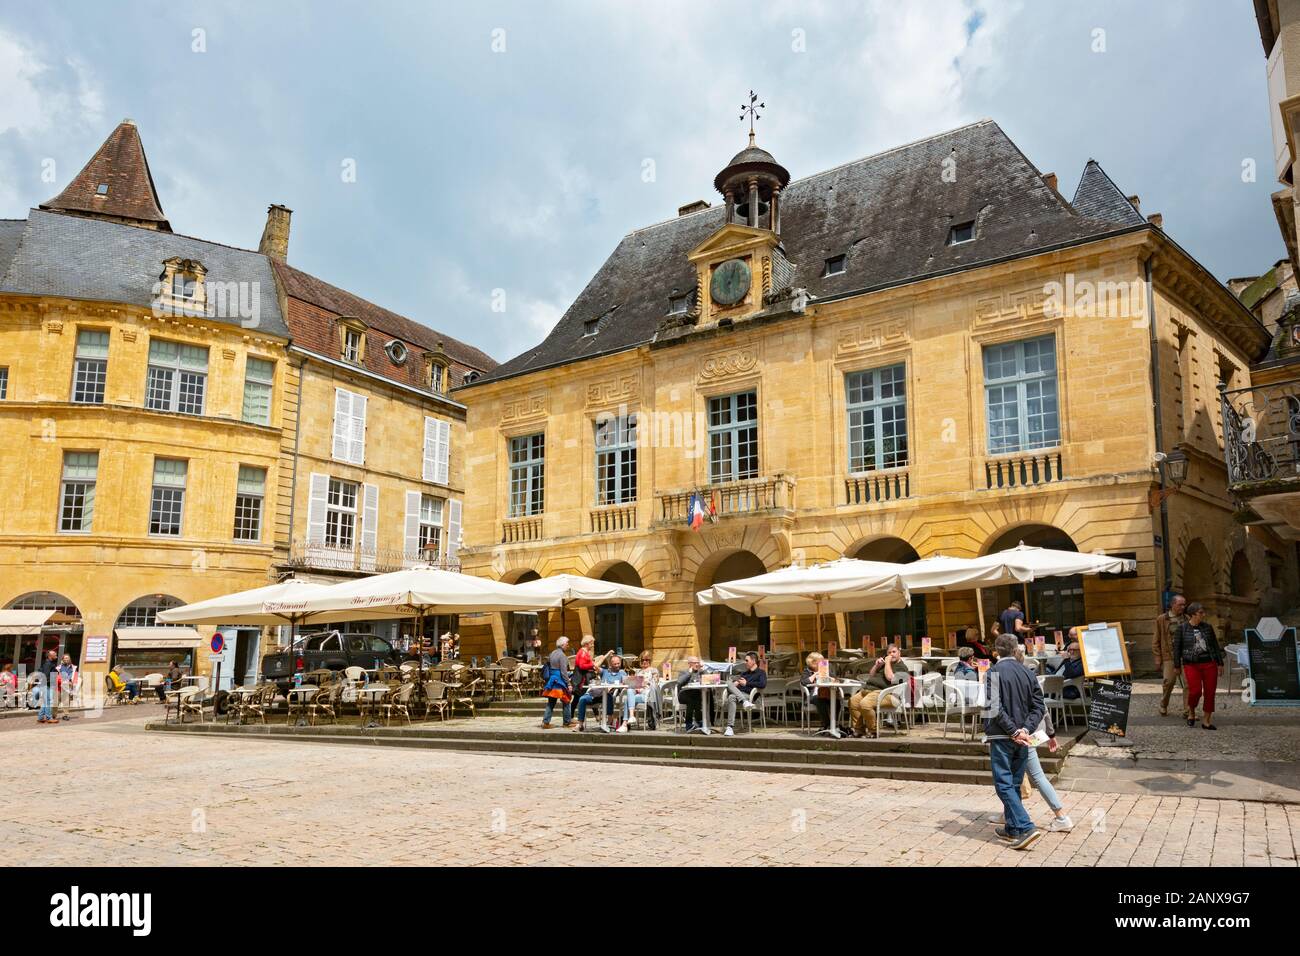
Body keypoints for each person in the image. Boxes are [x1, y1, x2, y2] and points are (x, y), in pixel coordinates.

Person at [993, 648, 1073, 832]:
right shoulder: (1028, 678)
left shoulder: (1019, 680)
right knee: (1015, 776)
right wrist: (1051, 735)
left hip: (1026, 735)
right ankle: (1008, 815)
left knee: (1034, 776)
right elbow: (1042, 708)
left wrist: (1051, 735)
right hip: (1031, 734)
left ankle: (1061, 816)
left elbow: (1041, 708)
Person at [984, 633, 1046, 850]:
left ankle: (1025, 826)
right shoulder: (1028, 672)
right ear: (1015, 649)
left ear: (997, 650)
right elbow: (1039, 706)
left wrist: (1013, 731)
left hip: (1004, 735)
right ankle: (1013, 828)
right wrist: (1025, 729)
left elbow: (994, 708)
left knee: (1004, 784)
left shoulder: (993, 672)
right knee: (1014, 782)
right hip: (1022, 735)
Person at [1174, 602, 1224, 730]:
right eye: (1200, 613)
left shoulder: (1207, 627)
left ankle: (1206, 720)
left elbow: (1214, 646)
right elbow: (1177, 649)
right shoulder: (1182, 628)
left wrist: (1220, 663)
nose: (1203, 615)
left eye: (1203, 612)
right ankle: (1191, 711)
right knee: (1195, 691)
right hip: (1191, 664)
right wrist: (1176, 666)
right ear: (1192, 615)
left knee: (1210, 692)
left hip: (1209, 664)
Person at [847, 644, 907, 737]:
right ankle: (859, 730)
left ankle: (873, 731)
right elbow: (871, 675)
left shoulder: (901, 667)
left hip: (888, 694)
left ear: (899, 653)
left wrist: (887, 663)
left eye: (894, 652)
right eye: (889, 653)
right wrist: (877, 665)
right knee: (853, 702)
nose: (891, 655)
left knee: (865, 704)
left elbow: (890, 678)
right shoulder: (885, 664)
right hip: (870, 690)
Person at [574, 654, 628, 732]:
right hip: (595, 694)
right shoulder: (605, 671)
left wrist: (618, 686)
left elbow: (626, 684)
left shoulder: (622, 673)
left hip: (608, 695)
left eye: (618, 663)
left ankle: (609, 721)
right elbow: (595, 666)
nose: (617, 666)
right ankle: (580, 724)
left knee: (608, 695)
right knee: (582, 699)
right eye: (615, 664)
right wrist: (606, 656)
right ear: (610, 664)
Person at [1153, 593, 1187, 717]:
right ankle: (1163, 704)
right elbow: (1156, 639)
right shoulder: (1162, 619)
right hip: (1169, 656)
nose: (1183, 607)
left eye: (1184, 604)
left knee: (1187, 684)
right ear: (1173, 605)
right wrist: (1157, 657)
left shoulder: (1187, 618)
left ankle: (1187, 710)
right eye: (1180, 605)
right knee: (1169, 682)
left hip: (1185, 656)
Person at [722, 652, 767, 737]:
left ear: (753, 661)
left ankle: (729, 727)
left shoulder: (761, 673)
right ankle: (730, 727)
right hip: (741, 695)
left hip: (750, 696)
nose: (745, 662)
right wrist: (735, 684)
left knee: (732, 696)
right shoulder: (744, 673)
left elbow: (762, 684)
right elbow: (737, 684)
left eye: (747, 660)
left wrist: (747, 683)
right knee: (729, 683)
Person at [540, 636, 574, 729]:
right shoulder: (562, 655)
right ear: (562, 644)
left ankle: (545, 722)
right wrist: (569, 683)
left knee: (551, 702)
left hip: (552, 680)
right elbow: (564, 671)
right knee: (566, 700)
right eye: (567, 643)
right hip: (560, 681)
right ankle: (567, 722)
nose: (568, 645)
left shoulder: (552, 653)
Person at [626, 651, 660, 730]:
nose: (644, 661)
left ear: (650, 660)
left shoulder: (653, 670)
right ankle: (629, 719)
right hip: (639, 693)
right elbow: (635, 684)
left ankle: (626, 721)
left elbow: (656, 682)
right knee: (629, 693)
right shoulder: (638, 672)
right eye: (642, 660)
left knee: (628, 700)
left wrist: (647, 682)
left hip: (648, 694)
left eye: (646, 660)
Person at [800, 652, 831, 732]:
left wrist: (827, 676)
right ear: (813, 663)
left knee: (836, 701)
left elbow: (835, 678)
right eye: (820, 661)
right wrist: (815, 675)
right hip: (813, 696)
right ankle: (827, 724)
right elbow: (804, 682)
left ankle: (833, 725)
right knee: (819, 700)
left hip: (827, 694)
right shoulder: (807, 671)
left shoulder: (825, 669)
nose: (822, 663)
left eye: (822, 661)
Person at [677, 656, 707, 732]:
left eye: (698, 662)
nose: (697, 664)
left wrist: (703, 670)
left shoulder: (700, 672)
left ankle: (692, 723)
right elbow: (680, 682)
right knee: (692, 699)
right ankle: (695, 722)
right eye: (695, 663)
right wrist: (689, 673)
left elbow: (709, 679)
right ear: (690, 664)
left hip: (695, 695)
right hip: (683, 695)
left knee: (695, 698)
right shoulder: (684, 672)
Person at [36, 649, 58, 724]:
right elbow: (45, 675)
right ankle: (49, 718)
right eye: (54, 654)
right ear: (50, 656)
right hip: (46, 685)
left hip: (46, 685)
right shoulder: (48, 664)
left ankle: (40, 717)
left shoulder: (49, 663)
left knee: (46, 701)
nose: (56, 655)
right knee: (48, 701)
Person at [56, 653, 80, 718]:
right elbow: (57, 676)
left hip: (68, 687)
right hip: (59, 686)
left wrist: (73, 684)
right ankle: (53, 715)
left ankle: (65, 715)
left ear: (70, 659)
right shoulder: (59, 667)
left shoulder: (74, 668)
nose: (66, 659)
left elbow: (75, 677)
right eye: (65, 658)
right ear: (62, 659)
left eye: (67, 658)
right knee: (56, 701)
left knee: (66, 701)